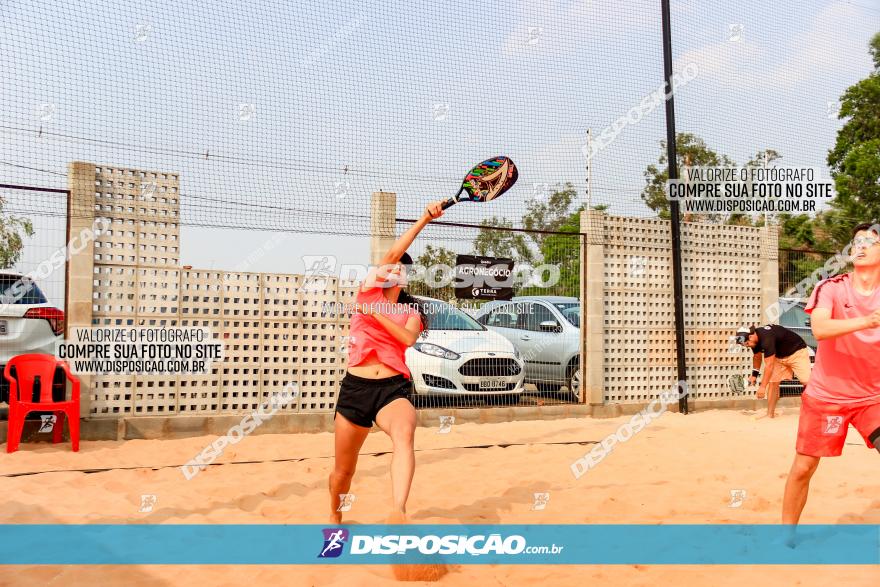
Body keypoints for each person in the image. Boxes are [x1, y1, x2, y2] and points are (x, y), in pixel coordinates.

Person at [328, 200, 444, 524]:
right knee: (343, 471)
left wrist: (377, 315)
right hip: (356, 389)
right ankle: (335, 522)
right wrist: (425, 218)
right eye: (391, 265)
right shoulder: (368, 294)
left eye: (402, 268)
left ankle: (399, 512)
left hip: (392, 388)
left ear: (406, 279)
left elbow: (407, 340)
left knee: (405, 436)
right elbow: (392, 255)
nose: (395, 268)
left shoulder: (411, 312)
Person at [781, 222, 880, 524]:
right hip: (827, 396)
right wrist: (869, 320)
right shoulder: (832, 288)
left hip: (872, 399)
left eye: (869, 241)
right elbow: (821, 329)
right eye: (856, 241)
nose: (860, 246)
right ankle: (785, 535)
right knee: (803, 468)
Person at [735, 323, 812, 418]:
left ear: (751, 336)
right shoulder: (754, 340)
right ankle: (770, 414)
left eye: (747, 344)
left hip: (797, 352)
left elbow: (769, 366)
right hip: (778, 356)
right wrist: (754, 375)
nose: (748, 346)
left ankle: (810, 412)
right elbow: (757, 356)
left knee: (807, 383)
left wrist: (762, 387)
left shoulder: (766, 339)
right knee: (773, 382)